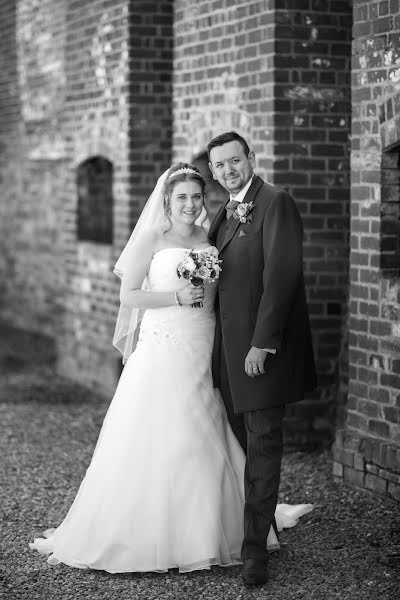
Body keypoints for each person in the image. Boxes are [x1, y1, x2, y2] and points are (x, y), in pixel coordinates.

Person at [29, 162, 312, 576]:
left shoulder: (211, 234)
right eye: (181, 197)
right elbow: (129, 296)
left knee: (205, 426)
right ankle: (149, 533)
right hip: (163, 345)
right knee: (161, 430)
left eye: (196, 196)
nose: (190, 204)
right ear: (166, 200)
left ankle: (215, 527)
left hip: (206, 342)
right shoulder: (151, 237)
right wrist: (175, 298)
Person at [207, 132, 317, 585]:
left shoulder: (275, 203)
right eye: (220, 166)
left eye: (235, 161)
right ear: (213, 172)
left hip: (259, 355)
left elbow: (282, 276)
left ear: (251, 158)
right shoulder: (222, 213)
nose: (229, 170)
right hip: (226, 357)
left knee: (263, 447)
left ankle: (255, 555)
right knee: (240, 444)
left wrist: (263, 343)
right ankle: (261, 527)